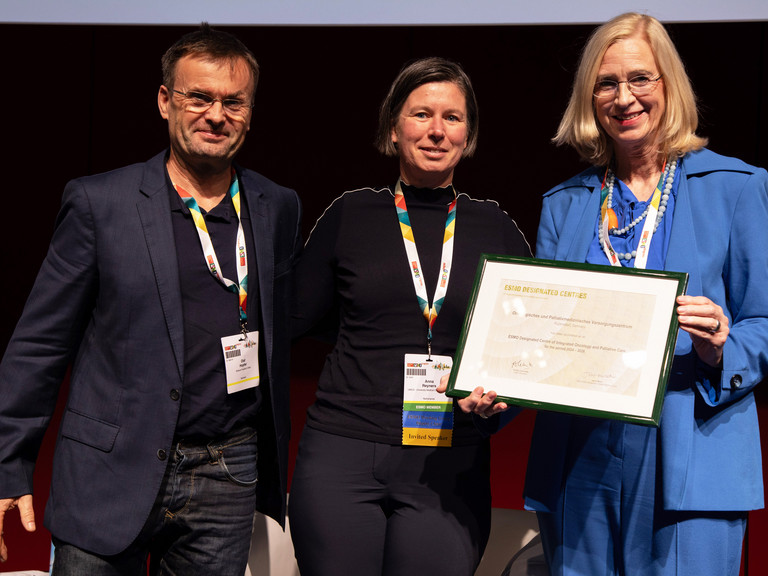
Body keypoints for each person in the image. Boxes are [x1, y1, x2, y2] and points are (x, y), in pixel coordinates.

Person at [449, 12, 768, 576]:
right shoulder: (565, 204)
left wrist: (723, 346)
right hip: (580, 460)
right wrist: (496, 393)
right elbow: (543, 336)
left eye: (640, 79)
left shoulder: (736, 189)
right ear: (588, 97)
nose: (625, 97)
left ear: (669, 85)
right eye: (607, 83)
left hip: (689, 447)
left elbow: (762, 321)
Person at [0, 23, 302, 575]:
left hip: (225, 472)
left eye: (233, 102)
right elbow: (40, 344)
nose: (216, 115)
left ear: (251, 111)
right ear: (165, 101)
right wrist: (7, 463)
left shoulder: (275, 206)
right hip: (109, 470)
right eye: (199, 97)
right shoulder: (99, 203)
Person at [288, 57, 531, 576]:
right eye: (421, 114)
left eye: (453, 117)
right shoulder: (350, 214)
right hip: (342, 452)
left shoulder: (496, 228)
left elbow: (525, 346)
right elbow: (298, 316)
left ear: (469, 134)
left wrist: (497, 404)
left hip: (448, 459)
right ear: (393, 128)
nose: (437, 131)